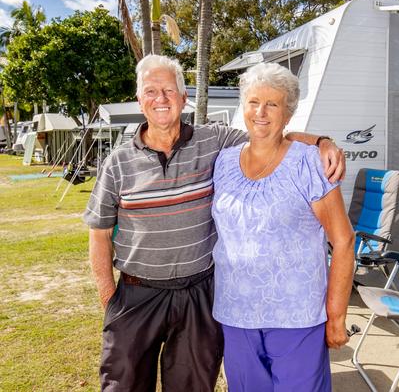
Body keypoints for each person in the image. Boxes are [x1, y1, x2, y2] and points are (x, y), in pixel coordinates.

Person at [83, 54, 345, 392]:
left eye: (168, 90)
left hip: (198, 295)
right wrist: (110, 298)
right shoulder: (117, 163)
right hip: (137, 294)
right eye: (150, 91)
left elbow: (268, 132)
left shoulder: (216, 142)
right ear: (139, 100)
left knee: (192, 385)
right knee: (123, 384)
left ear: (183, 97)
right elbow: (100, 233)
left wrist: (322, 142)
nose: (160, 99)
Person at [210, 62, 355, 391]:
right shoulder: (224, 160)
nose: (261, 112)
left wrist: (337, 316)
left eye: (272, 104)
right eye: (253, 102)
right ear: (243, 107)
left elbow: (344, 242)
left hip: (297, 318)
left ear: (287, 113)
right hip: (236, 314)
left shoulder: (308, 162)